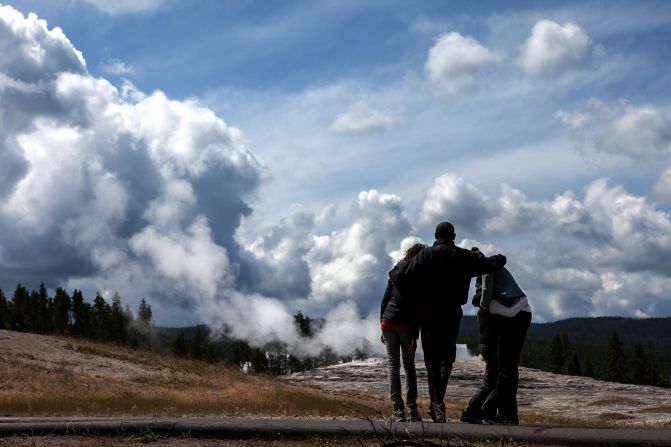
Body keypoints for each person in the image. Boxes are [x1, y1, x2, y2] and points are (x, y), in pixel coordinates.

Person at [398, 222, 507, 422]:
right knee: (446, 359)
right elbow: (493, 263)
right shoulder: (463, 256)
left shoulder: (425, 255)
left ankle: (437, 403)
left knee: (431, 360)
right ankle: (437, 403)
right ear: (454, 236)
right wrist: (484, 255)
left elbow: (401, 275)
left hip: (428, 311)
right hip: (451, 311)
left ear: (435, 234)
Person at [460, 263, 532, 425]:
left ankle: (498, 412)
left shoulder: (487, 273)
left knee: (506, 371)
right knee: (507, 371)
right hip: (519, 314)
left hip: (517, 316)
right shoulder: (498, 300)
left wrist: (483, 308)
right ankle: (504, 414)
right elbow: (509, 312)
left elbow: (507, 310)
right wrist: (522, 300)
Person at [380, 243, 426, 422]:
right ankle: (412, 409)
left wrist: (381, 324)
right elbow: (417, 310)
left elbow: (384, 300)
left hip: (388, 322)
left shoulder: (395, 271)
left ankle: (398, 411)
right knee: (409, 366)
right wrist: (415, 336)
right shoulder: (419, 275)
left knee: (393, 366)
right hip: (406, 325)